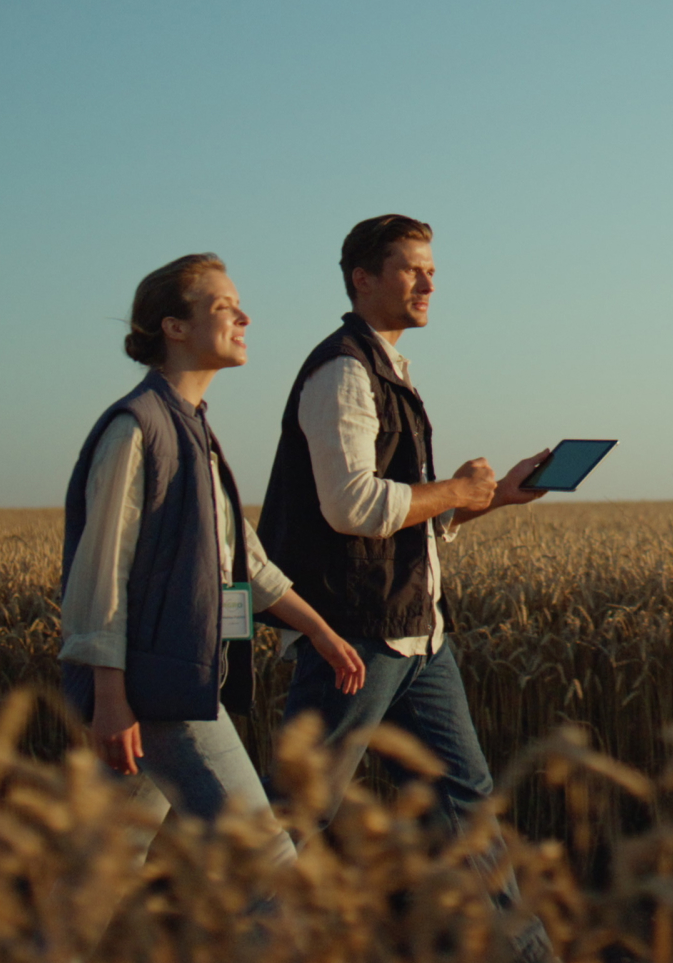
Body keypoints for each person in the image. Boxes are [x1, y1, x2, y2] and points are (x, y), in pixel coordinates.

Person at [257, 215, 555, 959]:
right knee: (299, 810)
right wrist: (451, 485)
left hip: (417, 635)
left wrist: (493, 498)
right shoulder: (343, 371)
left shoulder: (387, 368)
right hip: (356, 634)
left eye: (431, 271)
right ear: (362, 278)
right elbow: (352, 506)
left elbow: (405, 522)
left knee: (465, 808)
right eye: (410, 269)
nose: (428, 283)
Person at [58, 252, 367, 874]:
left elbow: (242, 561)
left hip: (171, 682)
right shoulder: (136, 428)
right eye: (224, 306)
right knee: (269, 871)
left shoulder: (194, 429)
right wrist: (110, 698)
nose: (245, 316)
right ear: (174, 327)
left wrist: (319, 629)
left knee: (95, 884)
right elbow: (99, 575)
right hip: (161, 692)